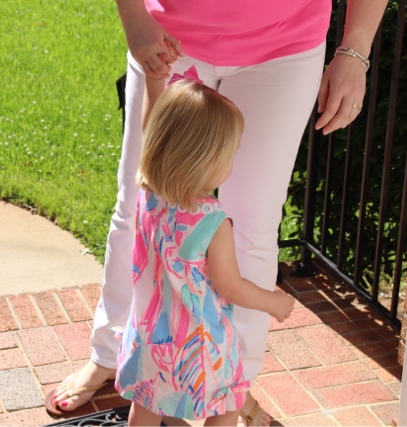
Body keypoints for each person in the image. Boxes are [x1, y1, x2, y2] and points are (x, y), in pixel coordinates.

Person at [46, 0, 388, 425]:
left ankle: (233, 381)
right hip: (170, 37)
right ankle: (114, 355)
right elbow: (230, 284)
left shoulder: (185, 208)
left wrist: (355, 50)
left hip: (284, 46)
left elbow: (154, 136)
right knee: (135, 211)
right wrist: (135, 17)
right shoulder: (214, 223)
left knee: (252, 226)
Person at [116, 68, 296, 426]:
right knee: (227, 403)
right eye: (230, 155)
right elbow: (231, 286)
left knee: (148, 399)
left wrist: (154, 82)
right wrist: (274, 302)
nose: (232, 163)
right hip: (199, 345)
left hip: (150, 335)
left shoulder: (149, 194)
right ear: (204, 159)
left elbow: (152, 126)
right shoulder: (211, 221)